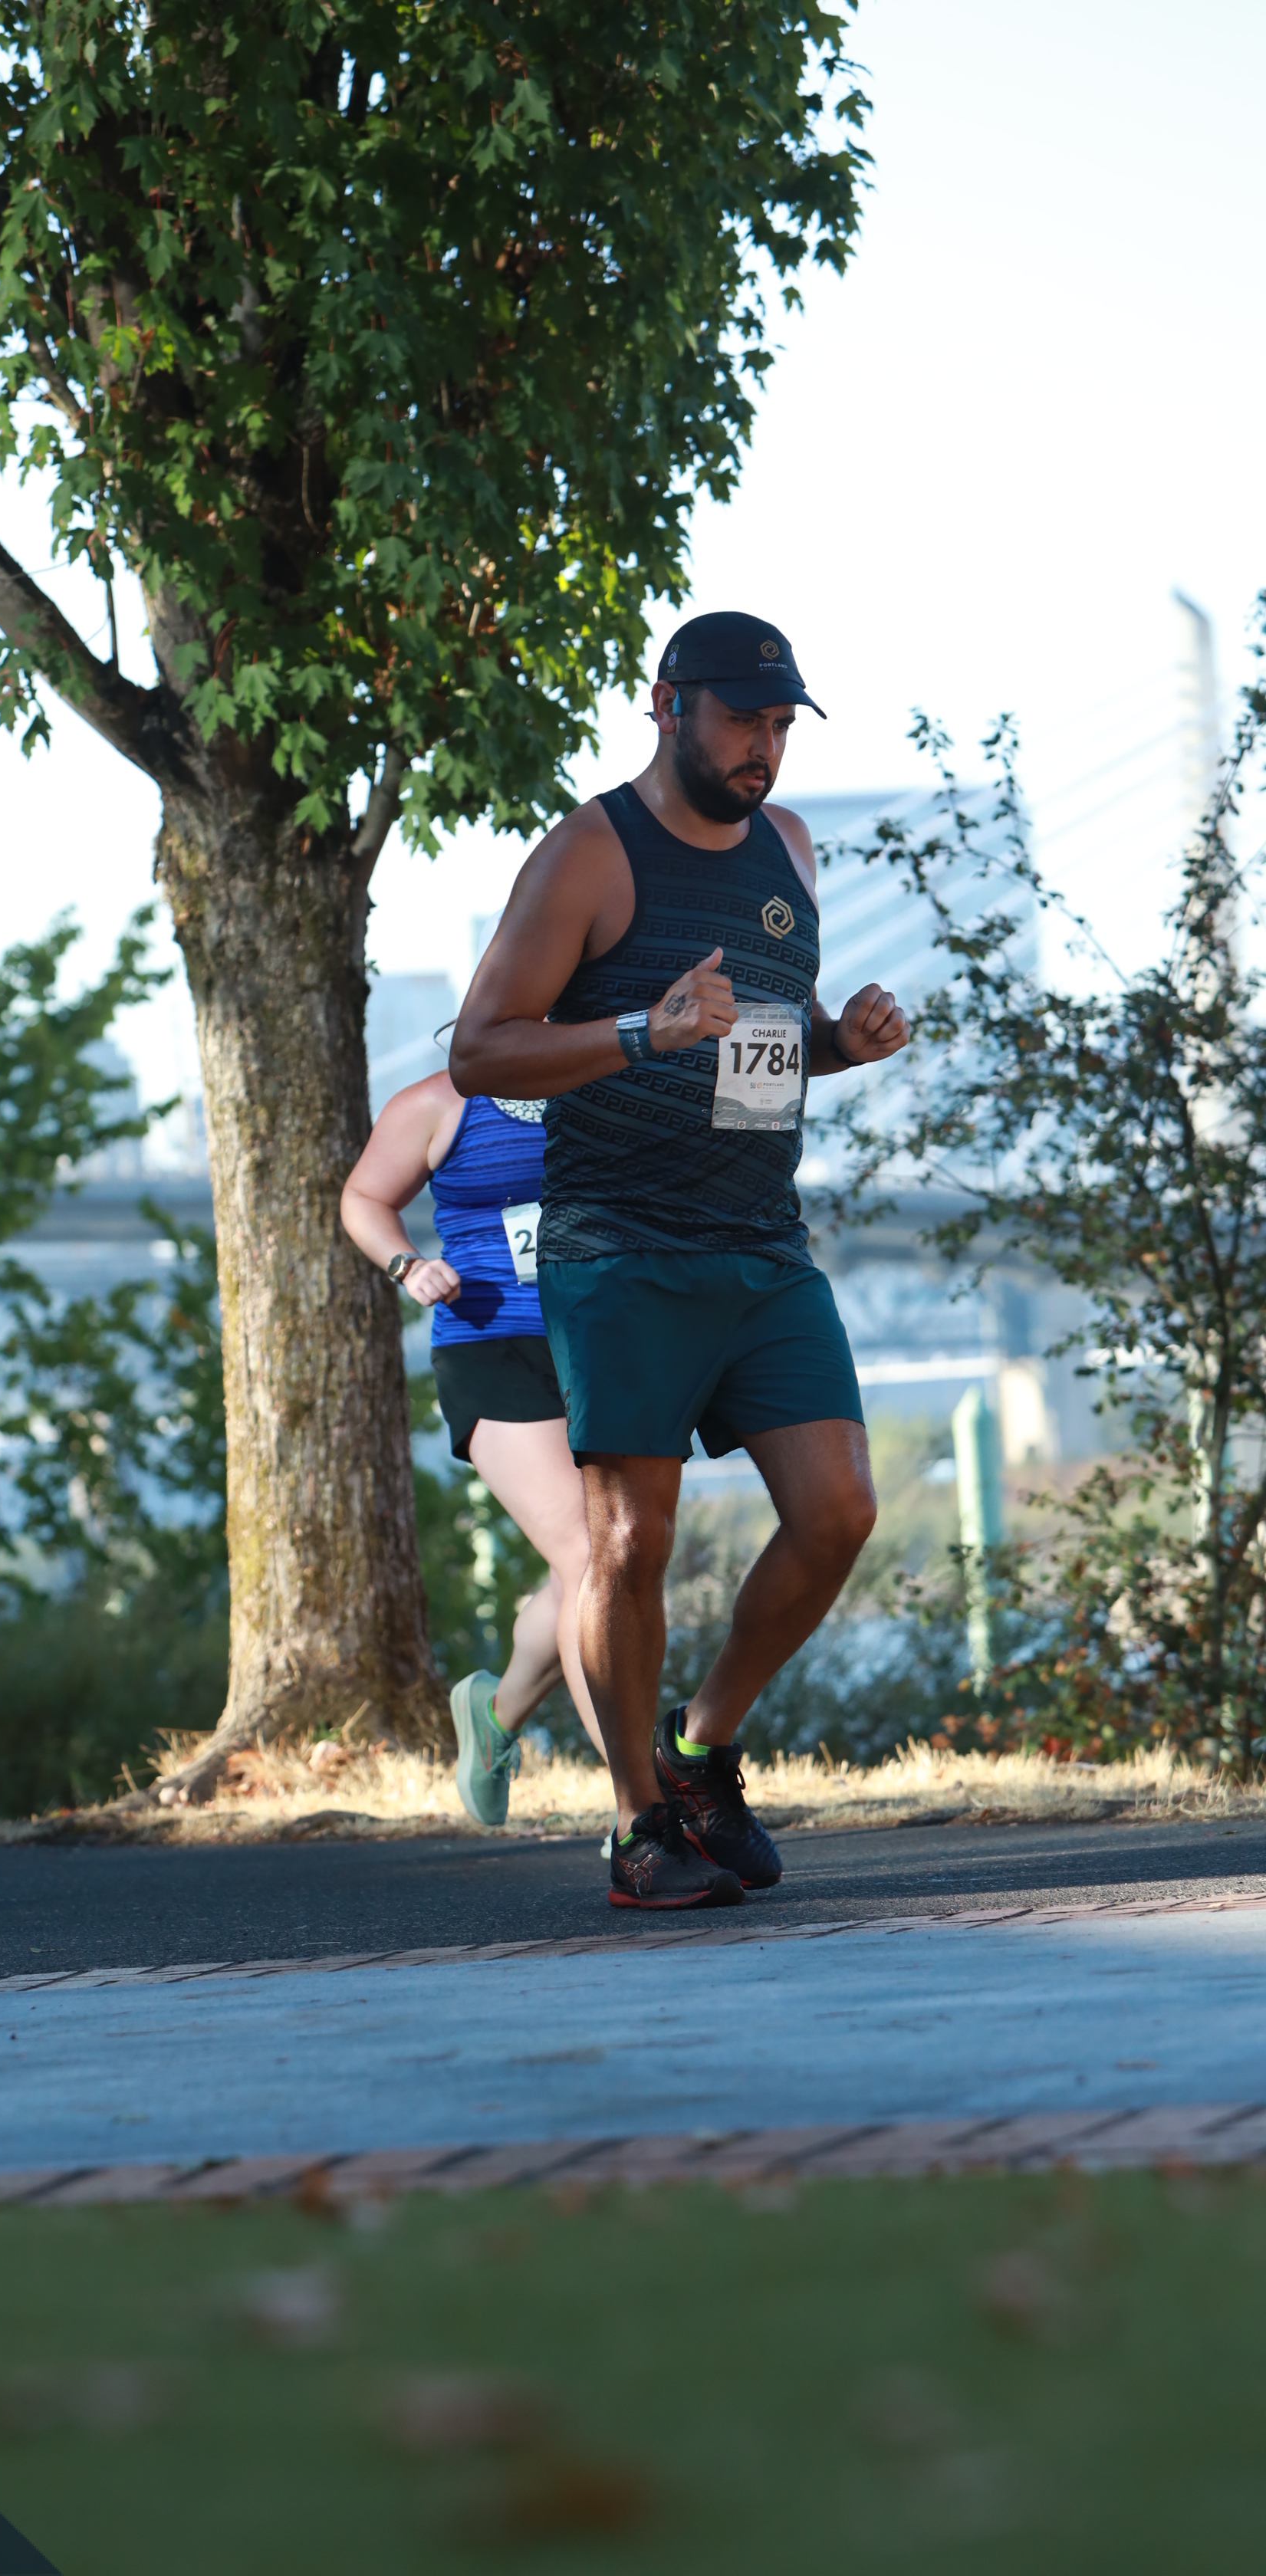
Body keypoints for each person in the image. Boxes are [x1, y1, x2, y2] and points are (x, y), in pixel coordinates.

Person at [450, 611, 909, 1910]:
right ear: (668, 706)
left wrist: (841, 1043)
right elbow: (481, 1050)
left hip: (760, 1243)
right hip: (621, 1247)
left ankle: (699, 1750)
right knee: (629, 1540)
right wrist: (640, 1033)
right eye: (742, 720)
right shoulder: (590, 852)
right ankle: (636, 1827)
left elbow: (767, 1035)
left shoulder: (789, 847)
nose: (765, 747)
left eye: (781, 725)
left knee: (839, 1511)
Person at [341, 1070, 616, 1835]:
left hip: (605, 1342)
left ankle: (495, 1714)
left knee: (607, 1560)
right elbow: (363, 1198)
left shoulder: (610, 1079)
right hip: (493, 1343)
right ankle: (644, 1802)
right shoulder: (437, 1105)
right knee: (591, 1554)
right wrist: (407, 1264)